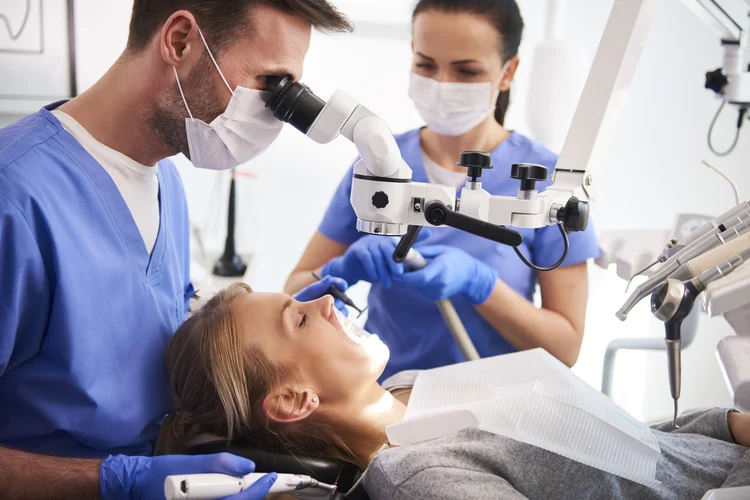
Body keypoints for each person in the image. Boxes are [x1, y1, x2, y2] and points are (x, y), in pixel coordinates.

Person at [0, 1, 352, 498]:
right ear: (180, 41)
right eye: (271, 84)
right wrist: (104, 482)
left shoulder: (165, 177)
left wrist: (292, 322)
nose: (276, 114)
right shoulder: (13, 196)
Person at [159, 284, 750, 499]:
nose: (326, 301)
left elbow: (621, 447)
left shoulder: (409, 388)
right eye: (301, 319)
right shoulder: (421, 479)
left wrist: (725, 424)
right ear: (292, 400)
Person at [285, 0, 601, 381]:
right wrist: (340, 270)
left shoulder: (549, 180)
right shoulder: (379, 165)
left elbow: (565, 348)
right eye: (426, 65)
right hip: (389, 398)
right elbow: (293, 293)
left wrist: (481, 285)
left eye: (466, 71)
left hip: (497, 410)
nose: (442, 85)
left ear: (508, 72)